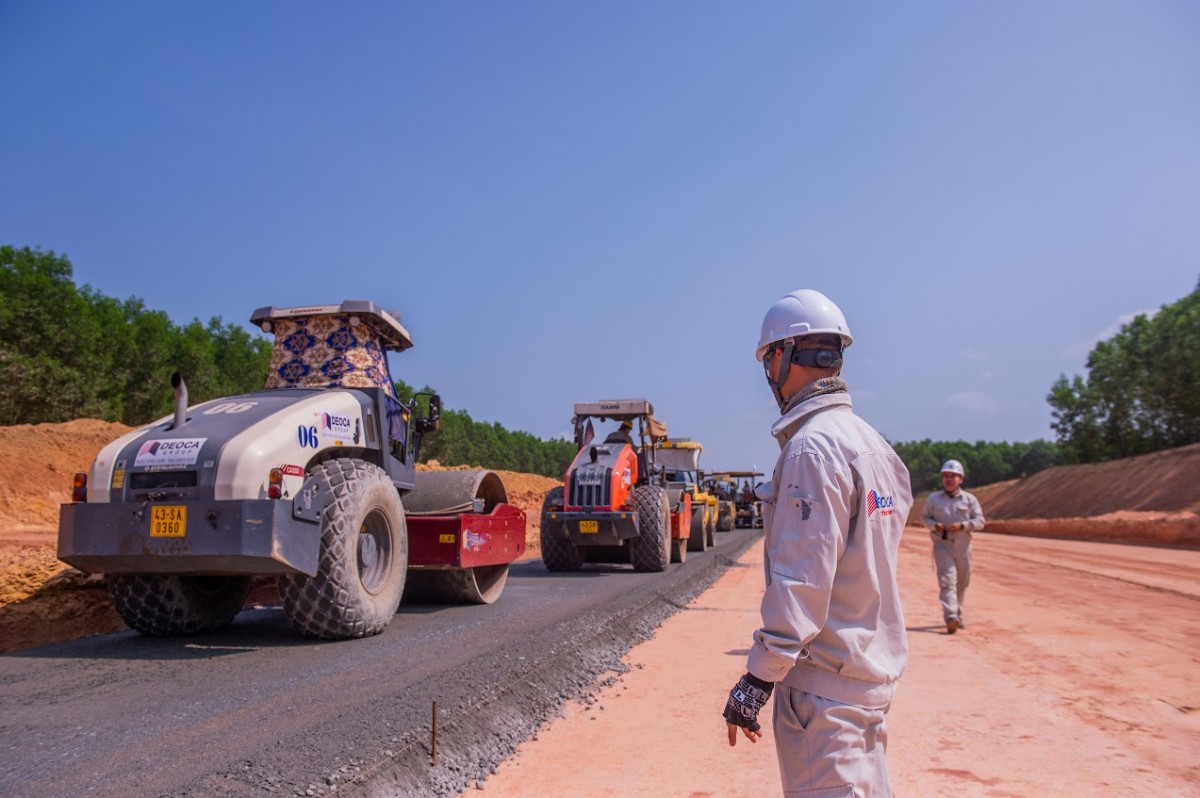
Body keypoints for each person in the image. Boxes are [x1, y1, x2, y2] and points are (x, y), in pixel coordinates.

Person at [723, 289, 913, 798]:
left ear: (782, 357)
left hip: (824, 695)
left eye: (768, 360)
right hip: (867, 684)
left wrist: (756, 680)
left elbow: (803, 581)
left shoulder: (812, 448)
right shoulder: (874, 446)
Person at [921, 459, 985, 634]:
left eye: (953, 476)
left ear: (961, 479)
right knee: (947, 581)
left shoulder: (970, 500)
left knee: (962, 582)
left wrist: (962, 525)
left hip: (963, 547)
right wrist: (936, 526)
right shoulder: (933, 499)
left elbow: (980, 521)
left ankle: (958, 614)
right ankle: (950, 616)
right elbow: (925, 519)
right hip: (943, 546)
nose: (949, 479)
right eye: (946, 476)